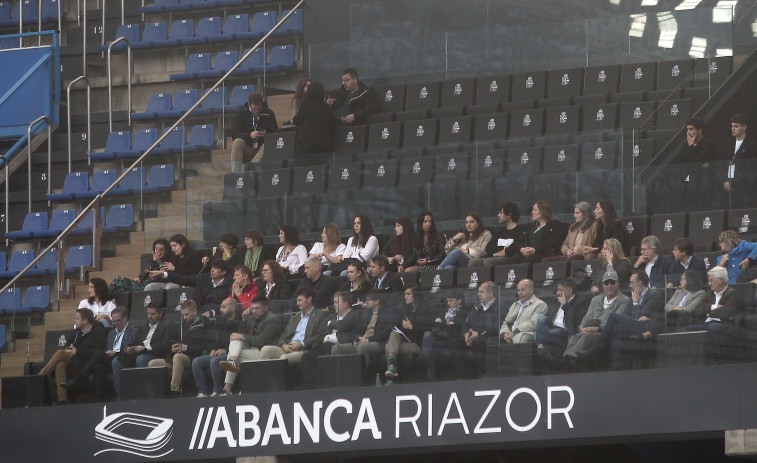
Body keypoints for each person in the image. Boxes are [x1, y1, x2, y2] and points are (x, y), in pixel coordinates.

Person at [579, 271, 665, 367]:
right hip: (633, 325)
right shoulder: (633, 296)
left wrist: (636, 303)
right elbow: (626, 315)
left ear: (639, 284)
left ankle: (597, 349)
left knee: (613, 316)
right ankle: (616, 367)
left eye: (632, 282)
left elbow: (642, 316)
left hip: (646, 328)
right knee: (616, 327)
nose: (629, 285)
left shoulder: (654, 295)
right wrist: (635, 307)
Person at [60, 306, 138, 401]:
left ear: (125, 318)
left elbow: (130, 349)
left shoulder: (134, 332)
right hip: (108, 358)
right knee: (98, 365)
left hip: (121, 357)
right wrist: (108, 352)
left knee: (98, 354)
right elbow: (106, 348)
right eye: (113, 321)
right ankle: (100, 399)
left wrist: (116, 352)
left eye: (118, 320)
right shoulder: (111, 333)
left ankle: (79, 378)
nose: (116, 324)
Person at [38, 308, 106, 403]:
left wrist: (77, 351)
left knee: (60, 353)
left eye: (77, 319)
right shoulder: (77, 331)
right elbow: (70, 342)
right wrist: (69, 348)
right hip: (74, 360)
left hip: (87, 362)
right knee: (60, 365)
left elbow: (98, 351)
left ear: (85, 321)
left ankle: (39, 377)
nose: (74, 321)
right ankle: (62, 401)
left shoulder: (98, 330)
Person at [218, 296, 283, 394]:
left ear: (265, 308)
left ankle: (228, 387)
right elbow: (243, 336)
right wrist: (244, 320)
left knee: (235, 349)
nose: (254, 311)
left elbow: (262, 341)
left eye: (257, 308)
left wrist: (242, 336)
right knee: (235, 342)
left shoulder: (271, 320)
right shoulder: (252, 319)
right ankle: (232, 363)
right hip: (252, 350)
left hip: (265, 352)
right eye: (252, 308)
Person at [563, 270, 631, 360]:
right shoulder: (596, 299)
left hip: (605, 332)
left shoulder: (624, 300)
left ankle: (572, 359)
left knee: (587, 337)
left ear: (617, 283)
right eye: (606, 283)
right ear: (602, 285)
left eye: (612, 282)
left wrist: (598, 328)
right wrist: (582, 328)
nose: (609, 285)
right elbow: (586, 318)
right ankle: (566, 359)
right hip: (590, 330)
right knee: (574, 338)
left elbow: (616, 320)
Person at [111, 304, 175, 400]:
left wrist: (145, 348)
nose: (149, 316)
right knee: (116, 361)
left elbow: (166, 345)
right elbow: (137, 342)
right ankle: (121, 396)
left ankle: (142, 396)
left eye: (152, 314)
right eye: (148, 313)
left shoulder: (167, 324)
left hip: (156, 354)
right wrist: (130, 348)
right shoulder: (144, 325)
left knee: (141, 359)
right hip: (139, 352)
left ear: (160, 313)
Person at [300, 291, 360, 389]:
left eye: (336, 302)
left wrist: (330, 324)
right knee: (306, 357)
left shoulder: (353, 315)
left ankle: (323, 386)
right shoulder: (331, 316)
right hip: (323, 344)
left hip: (339, 345)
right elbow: (321, 329)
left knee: (325, 357)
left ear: (345, 304)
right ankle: (310, 387)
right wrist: (333, 325)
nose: (334, 305)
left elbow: (343, 326)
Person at [148, 299, 210, 393]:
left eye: (186, 314)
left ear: (195, 311)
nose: (184, 317)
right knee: (152, 363)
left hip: (193, 356)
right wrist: (173, 347)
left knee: (177, 358)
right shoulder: (181, 325)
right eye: (182, 315)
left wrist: (187, 347)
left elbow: (205, 345)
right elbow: (173, 341)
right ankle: (157, 393)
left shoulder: (204, 324)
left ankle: (175, 389)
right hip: (176, 356)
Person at [260, 288, 328, 371]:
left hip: (304, 350)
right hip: (288, 348)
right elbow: (283, 335)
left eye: (300, 300)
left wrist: (301, 344)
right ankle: (267, 381)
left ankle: (280, 382)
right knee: (266, 350)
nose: (297, 303)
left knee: (284, 358)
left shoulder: (320, 314)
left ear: (309, 299)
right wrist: (283, 345)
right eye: (297, 301)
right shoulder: (295, 317)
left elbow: (320, 336)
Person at [444, 281, 502, 379]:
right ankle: (463, 376)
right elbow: (466, 324)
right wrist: (466, 334)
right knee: (454, 343)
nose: (478, 294)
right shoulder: (476, 307)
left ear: (491, 293)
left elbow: (498, 327)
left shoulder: (500, 307)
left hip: (488, 337)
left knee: (478, 341)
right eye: (478, 291)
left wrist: (478, 334)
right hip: (472, 337)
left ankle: (482, 375)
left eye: (481, 292)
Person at [332, 291, 401, 373]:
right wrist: (356, 339)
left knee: (362, 347)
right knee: (336, 348)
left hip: (377, 342)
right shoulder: (367, 314)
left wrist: (367, 340)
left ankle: (362, 377)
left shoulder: (387, 314)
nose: (366, 302)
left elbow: (386, 333)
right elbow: (357, 330)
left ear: (376, 301)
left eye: (369, 299)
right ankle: (339, 377)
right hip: (362, 341)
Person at [684, 266, 742, 360]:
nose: (709, 283)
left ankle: (717, 360)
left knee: (713, 327)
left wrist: (708, 312)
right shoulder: (708, 293)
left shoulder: (733, 293)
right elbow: (698, 309)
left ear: (721, 280)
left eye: (711, 281)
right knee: (685, 330)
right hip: (706, 323)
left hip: (724, 324)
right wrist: (714, 307)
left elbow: (727, 312)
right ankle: (691, 360)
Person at [191, 298, 242, 397]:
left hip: (230, 354)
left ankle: (218, 391)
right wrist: (212, 349)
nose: (220, 309)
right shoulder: (218, 321)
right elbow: (211, 339)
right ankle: (202, 392)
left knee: (215, 361)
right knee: (196, 361)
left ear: (232, 309)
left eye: (224, 307)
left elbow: (238, 342)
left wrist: (225, 350)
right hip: (216, 352)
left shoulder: (239, 322)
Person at [384, 285, 435, 380]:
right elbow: (399, 326)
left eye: (408, 294)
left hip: (418, 342)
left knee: (388, 347)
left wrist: (412, 327)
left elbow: (427, 329)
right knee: (394, 334)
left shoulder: (425, 308)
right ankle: (392, 367)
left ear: (415, 295)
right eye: (404, 294)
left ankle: (393, 377)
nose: (405, 296)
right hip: (407, 339)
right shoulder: (405, 308)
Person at [149, 259, 233, 313]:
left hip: (217, 315)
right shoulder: (203, 279)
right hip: (197, 312)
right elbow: (183, 279)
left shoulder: (230, 285)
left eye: (215, 268)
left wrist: (212, 312)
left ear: (223, 272)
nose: (212, 270)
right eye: (212, 267)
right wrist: (163, 274)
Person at [535, 278, 587, 356]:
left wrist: (566, 305)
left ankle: (540, 346)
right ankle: (541, 346)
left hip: (565, 330)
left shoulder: (581, 302)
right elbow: (548, 316)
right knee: (542, 319)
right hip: (553, 327)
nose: (557, 292)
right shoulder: (556, 301)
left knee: (538, 335)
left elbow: (574, 323)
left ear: (569, 290)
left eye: (560, 290)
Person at [229, 92, 278, 173]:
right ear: (249, 104)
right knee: (237, 142)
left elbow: (276, 133)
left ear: (262, 104)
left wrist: (267, 134)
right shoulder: (241, 114)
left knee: (269, 143)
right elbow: (234, 134)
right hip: (248, 147)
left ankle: (251, 169)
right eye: (254, 109)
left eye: (259, 109)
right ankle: (235, 174)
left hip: (262, 147)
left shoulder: (269, 113)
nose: (257, 111)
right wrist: (249, 135)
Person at [676, 117, 717, 208]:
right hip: (688, 181)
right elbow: (681, 162)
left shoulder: (708, 144)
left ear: (699, 130)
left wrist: (691, 146)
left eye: (691, 129)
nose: (688, 132)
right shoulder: (685, 144)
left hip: (702, 183)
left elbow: (697, 161)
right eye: (687, 129)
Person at [108, 238, 174, 294]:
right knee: (119, 286)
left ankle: (102, 299)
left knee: (119, 280)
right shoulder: (151, 262)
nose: (158, 252)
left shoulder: (165, 264)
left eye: (161, 250)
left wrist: (156, 261)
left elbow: (154, 277)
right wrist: (138, 278)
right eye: (156, 249)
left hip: (148, 287)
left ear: (166, 252)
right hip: (140, 285)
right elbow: (142, 275)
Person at [293, 81, 336, 163]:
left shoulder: (306, 104)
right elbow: (332, 124)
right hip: (322, 145)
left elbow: (296, 120)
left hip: (306, 143)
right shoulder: (327, 108)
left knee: (303, 171)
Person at [469, 202, 523, 267]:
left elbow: (516, 247)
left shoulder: (520, 231)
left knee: (488, 261)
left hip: (510, 258)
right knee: (473, 262)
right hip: (496, 256)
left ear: (509, 214)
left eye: (501, 213)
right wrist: (502, 250)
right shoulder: (500, 232)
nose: (498, 215)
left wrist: (505, 252)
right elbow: (488, 247)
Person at [722, 113, 757, 208]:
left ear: (744, 127)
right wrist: (725, 181)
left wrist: (735, 183)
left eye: (736, 126)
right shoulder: (727, 145)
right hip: (727, 184)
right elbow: (722, 165)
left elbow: (750, 168)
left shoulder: (752, 145)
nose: (733, 129)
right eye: (732, 126)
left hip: (743, 187)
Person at [499, 279, 548, 344]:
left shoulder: (540, 304)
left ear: (531, 290)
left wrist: (514, 332)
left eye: (523, 290)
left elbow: (533, 324)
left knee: (519, 338)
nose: (520, 293)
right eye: (518, 290)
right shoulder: (514, 305)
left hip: (526, 333)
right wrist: (504, 334)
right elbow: (506, 321)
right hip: (511, 333)